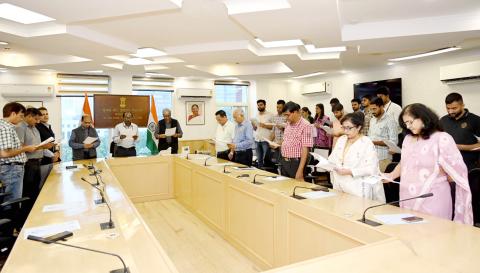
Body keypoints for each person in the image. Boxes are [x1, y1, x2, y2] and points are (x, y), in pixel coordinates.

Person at [384, 103, 472, 224]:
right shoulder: (408, 139)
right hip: (407, 196)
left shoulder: (441, 138)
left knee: (433, 235)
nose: (408, 126)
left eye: (410, 122)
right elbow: (404, 163)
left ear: (423, 118)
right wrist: (391, 175)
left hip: (432, 197)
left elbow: (458, 171)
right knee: (410, 235)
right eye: (405, 124)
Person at [328, 113, 385, 202]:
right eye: (343, 127)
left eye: (349, 128)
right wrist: (328, 164)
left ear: (358, 127)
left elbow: (372, 168)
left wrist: (350, 171)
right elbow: (332, 158)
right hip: (340, 184)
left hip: (357, 186)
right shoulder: (342, 139)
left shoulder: (366, 143)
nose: (345, 131)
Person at [16, 107, 54, 206]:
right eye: (36, 119)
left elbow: (38, 145)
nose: (38, 122)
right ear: (29, 116)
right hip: (28, 163)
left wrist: (45, 147)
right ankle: (27, 214)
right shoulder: (20, 127)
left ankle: (35, 210)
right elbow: (19, 146)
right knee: (28, 190)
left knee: (36, 188)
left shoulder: (35, 128)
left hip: (37, 162)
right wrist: (35, 147)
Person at [0, 102, 36, 203]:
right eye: (20, 116)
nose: (21, 119)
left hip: (11, 168)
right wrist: (25, 149)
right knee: (13, 200)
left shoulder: (5, 126)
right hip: (12, 168)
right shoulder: (6, 128)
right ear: (13, 114)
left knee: (11, 199)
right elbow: (4, 154)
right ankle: (13, 218)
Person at [439, 92, 480, 170]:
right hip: (449, 168)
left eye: (454, 108)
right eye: (448, 108)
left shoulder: (475, 120)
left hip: (470, 168)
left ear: (462, 105)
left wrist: (457, 147)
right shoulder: (443, 121)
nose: (450, 111)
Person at [280, 101, 313, 180]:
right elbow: (286, 140)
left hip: (296, 163)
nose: (286, 118)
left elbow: (305, 149)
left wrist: (300, 170)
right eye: (284, 115)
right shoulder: (288, 124)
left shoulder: (305, 125)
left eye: (287, 115)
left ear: (295, 112)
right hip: (284, 161)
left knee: (296, 189)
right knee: (285, 188)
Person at [368, 97, 398, 172]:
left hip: (384, 159)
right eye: (371, 109)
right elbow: (370, 136)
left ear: (381, 106)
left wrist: (374, 142)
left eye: (374, 109)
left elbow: (393, 142)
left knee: (382, 182)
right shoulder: (372, 120)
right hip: (371, 158)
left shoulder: (390, 120)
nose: (372, 111)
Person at [36, 107, 60, 188]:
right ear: (38, 116)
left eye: (47, 114)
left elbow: (52, 142)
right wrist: (52, 155)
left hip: (51, 158)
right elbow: (40, 145)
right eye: (42, 115)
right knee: (43, 184)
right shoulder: (37, 127)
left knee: (50, 183)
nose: (46, 116)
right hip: (43, 159)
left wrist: (56, 151)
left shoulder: (48, 126)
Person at [252, 100, 273, 168]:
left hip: (265, 140)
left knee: (266, 159)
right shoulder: (256, 115)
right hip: (257, 140)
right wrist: (253, 126)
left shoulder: (270, 115)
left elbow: (273, 127)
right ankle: (260, 173)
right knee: (259, 160)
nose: (259, 106)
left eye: (261, 105)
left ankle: (267, 172)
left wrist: (264, 125)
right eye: (258, 105)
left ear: (265, 105)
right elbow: (255, 129)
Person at [270, 100, 287, 164]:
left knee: (284, 163)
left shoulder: (287, 117)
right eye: (277, 107)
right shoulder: (274, 117)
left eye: (280, 107)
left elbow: (289, 133)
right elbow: (273, 131)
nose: (278, 109)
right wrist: (270, 142)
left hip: (284, 144)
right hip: (276, 143)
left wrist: (283, 128)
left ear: (284, 107)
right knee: (276, 162)